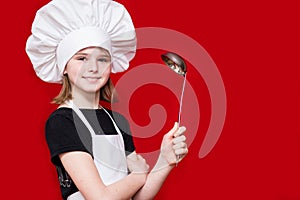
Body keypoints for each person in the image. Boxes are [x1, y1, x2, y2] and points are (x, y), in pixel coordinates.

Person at [25, 0, 188, 199]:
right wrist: (138, 174)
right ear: (64, 67)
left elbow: (137, 197)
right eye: (82, 58)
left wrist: (165, 160)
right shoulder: (62, 122)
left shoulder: (118, 122)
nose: (93, 68)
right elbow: (100, 198)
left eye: (102, 59)